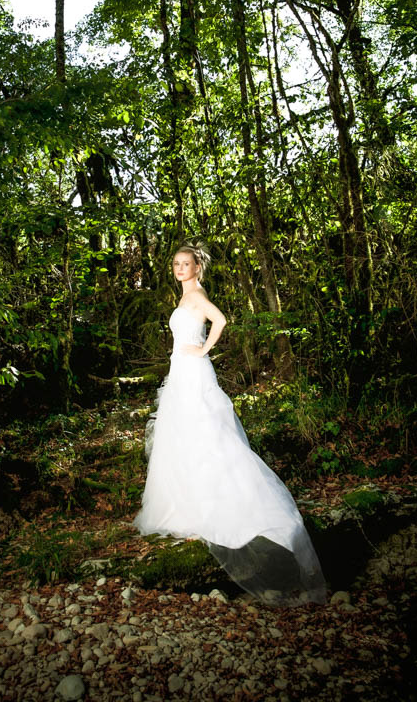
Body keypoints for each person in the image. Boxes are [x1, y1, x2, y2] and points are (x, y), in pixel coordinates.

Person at [133, 242, 327, 605]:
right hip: (181, 371)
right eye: (175, 263)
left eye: (185, 264)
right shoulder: (184, 297)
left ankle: (225, 506)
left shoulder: (196, 296)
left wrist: (204, 349)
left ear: (196, 267)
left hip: (193, 371)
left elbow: (220, 320)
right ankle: (186, 502)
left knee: (206, 436)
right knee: (184, 437)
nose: (179, 268)